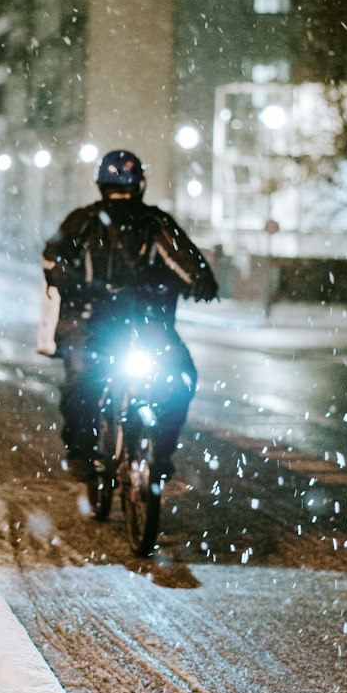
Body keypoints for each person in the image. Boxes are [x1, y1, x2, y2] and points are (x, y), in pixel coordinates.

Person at [41, 148, 218, 486]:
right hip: (120, 321)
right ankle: (105, 453)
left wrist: (200, 280)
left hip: (113, 323)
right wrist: (201, 282)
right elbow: (54, 259)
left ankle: (132, 454)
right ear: (142, 185)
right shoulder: (147, 221)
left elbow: (52, 260)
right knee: (177, 379)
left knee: (85, 382)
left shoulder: (90, 220)